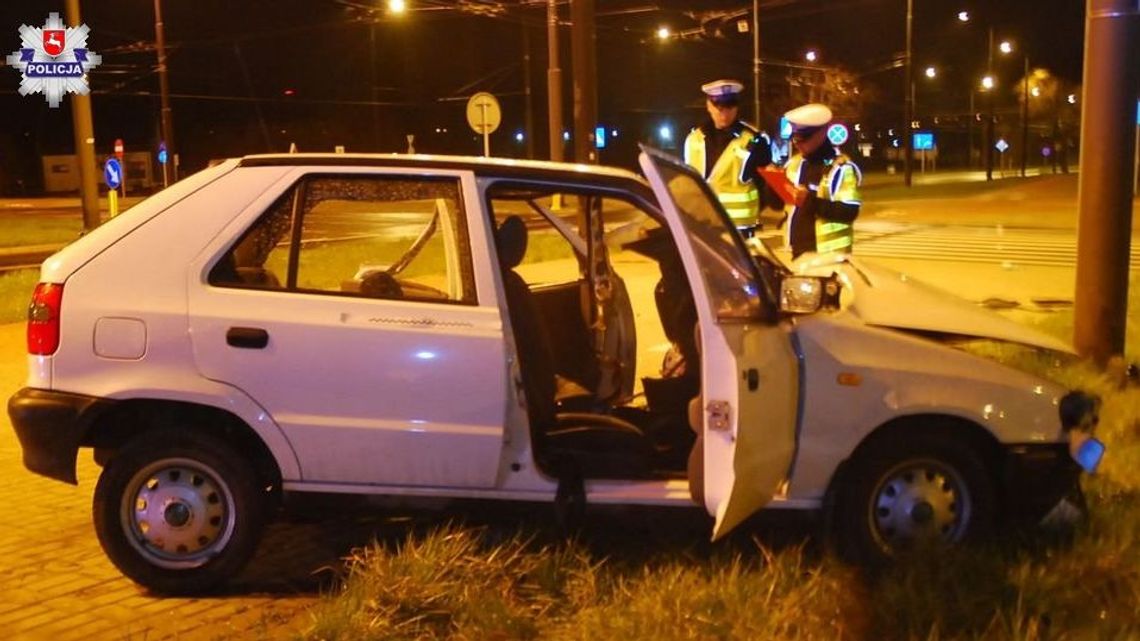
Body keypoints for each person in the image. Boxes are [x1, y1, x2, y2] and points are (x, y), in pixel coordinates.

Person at [683, 79, 775, 233]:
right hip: (701, 228)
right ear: (708, 105)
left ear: (736, 106)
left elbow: (765, 189)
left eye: (730, 106)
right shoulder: (693, 139)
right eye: (719, 107)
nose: (724, 113)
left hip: (739, 232)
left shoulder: (754, 141)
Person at [782, 103, 862, 258]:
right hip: (798, 251)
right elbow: (779, 205)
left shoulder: (841, 168)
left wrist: (810, 201)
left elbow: (849, 211)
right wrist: (772, 184)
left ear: (821, 133)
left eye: (803, 139)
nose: (797, 144)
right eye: (795, 139)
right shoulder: (794, 163)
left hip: (830, 257)